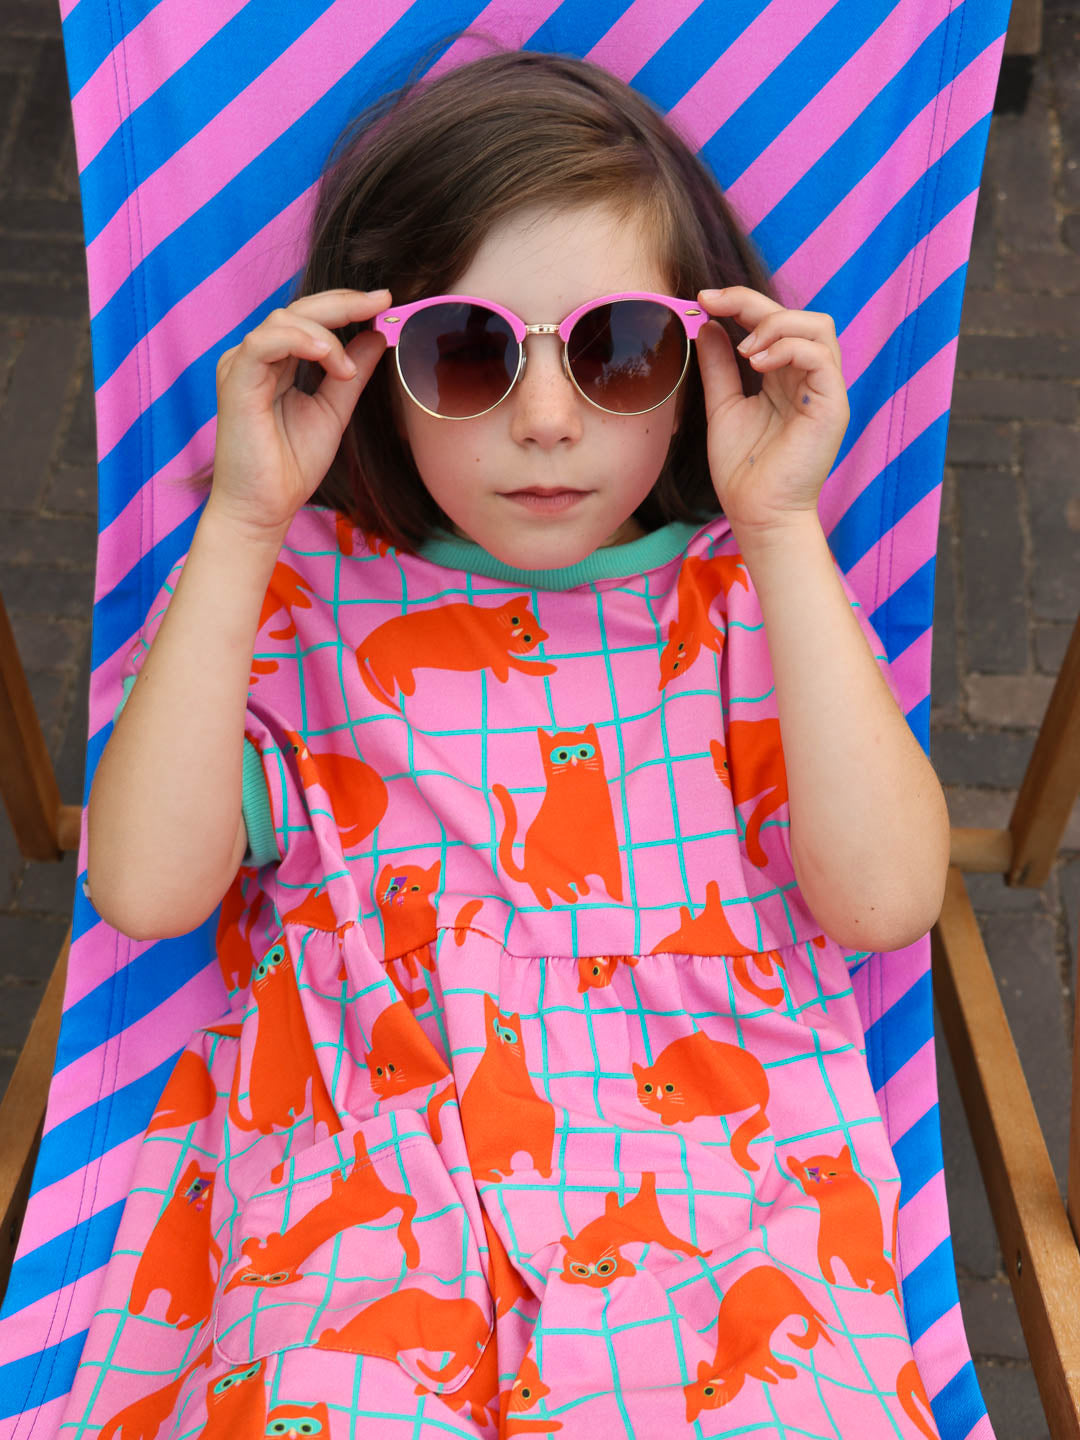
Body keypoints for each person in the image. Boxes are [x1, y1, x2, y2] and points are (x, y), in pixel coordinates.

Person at [81, 44, 950, 1440]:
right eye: (467, 353)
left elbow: (887, 901)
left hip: (712, 1200)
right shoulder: (293, 595)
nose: (547, 422)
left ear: (703, 364)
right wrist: (242, 522)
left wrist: (785, 526)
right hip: (365, 1191)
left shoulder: (745, 597)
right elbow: (143, 888)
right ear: (373, 367)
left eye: (619, 350)